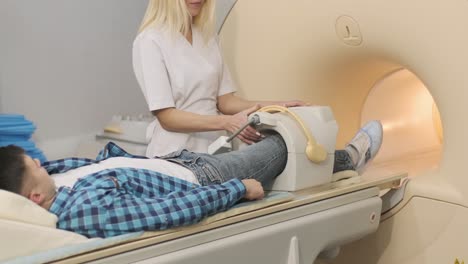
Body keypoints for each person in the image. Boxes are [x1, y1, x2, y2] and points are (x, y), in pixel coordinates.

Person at [0, 121, 382, 238]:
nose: (40, 162)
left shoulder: (55, 177)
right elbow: (165, 212)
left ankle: (334, 159)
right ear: (34, 198)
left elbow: (98, 162)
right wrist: (236, 189)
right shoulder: (82, 211)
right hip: (205, 177)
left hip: (177, 159)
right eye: (33, 166)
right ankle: (349, 158)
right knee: (285, 145)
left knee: (272, 135)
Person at [133, 0, 307, 157]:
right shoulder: (150, 40)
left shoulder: (209, 37)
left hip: (215, 149)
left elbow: (225, 101)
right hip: (174, 153)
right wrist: (226, 122)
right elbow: (167, 118)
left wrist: (275, 106)